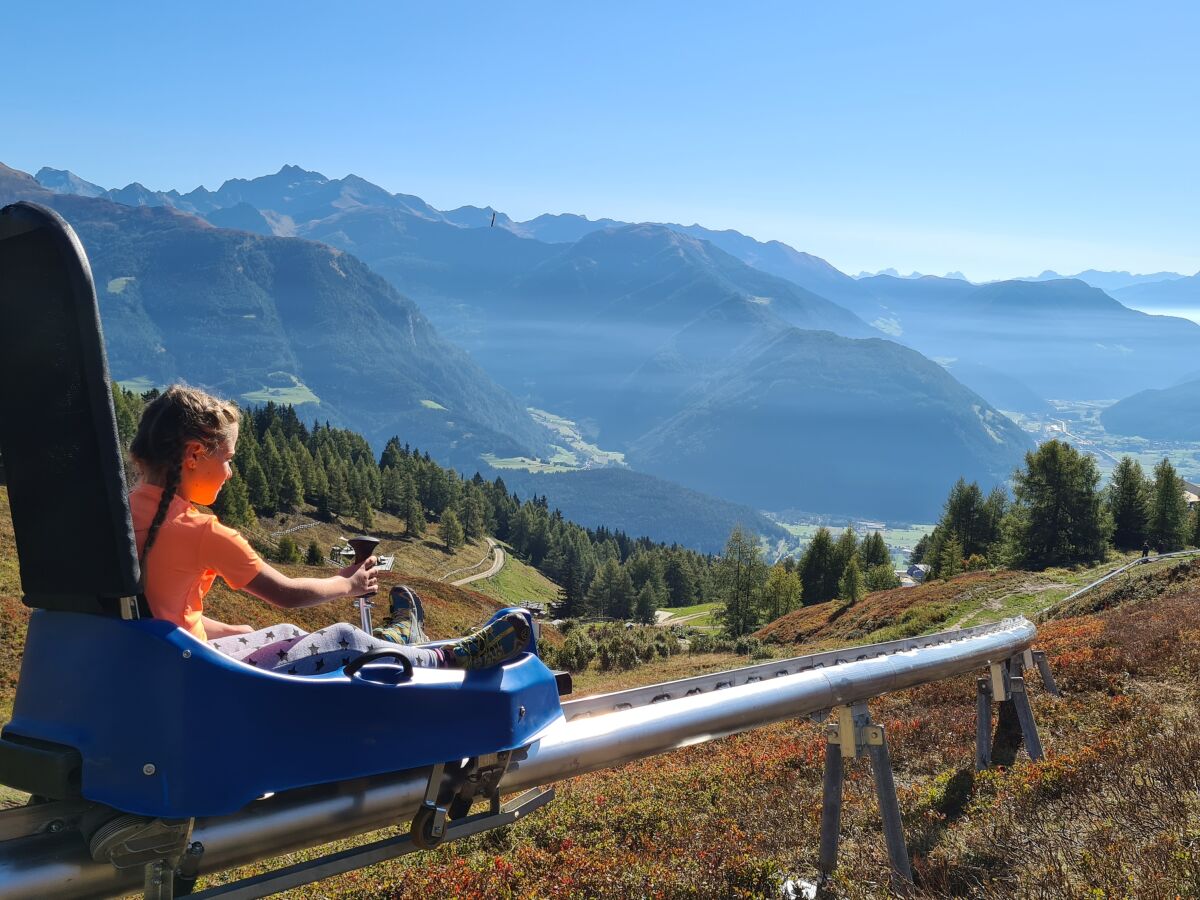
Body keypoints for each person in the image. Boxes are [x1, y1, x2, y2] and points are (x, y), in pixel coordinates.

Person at [128, 385, 529, 675]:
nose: (231, 473)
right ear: (195, 455)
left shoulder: (122, 516)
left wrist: (224, 628)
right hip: (195, 679)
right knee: (344, 640)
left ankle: (398, 640)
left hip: (156, 667)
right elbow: (285, 593)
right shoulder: (201, 533)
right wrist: (349, 584)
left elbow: (163, 612)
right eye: (228, 458)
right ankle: (449, 658)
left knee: (281, 633)